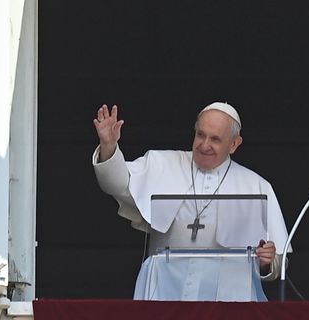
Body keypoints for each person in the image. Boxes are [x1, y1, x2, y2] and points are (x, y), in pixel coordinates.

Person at [92, 102, 290, 301]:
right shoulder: (162, 164)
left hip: (228, 296)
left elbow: (277, 261)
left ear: (234, 144)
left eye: (215, 139)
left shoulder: (256, 186)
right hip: (165, 289)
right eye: (200, 135)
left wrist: (266, 263)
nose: (204, 145)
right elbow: (117, 185)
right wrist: (109, 146)